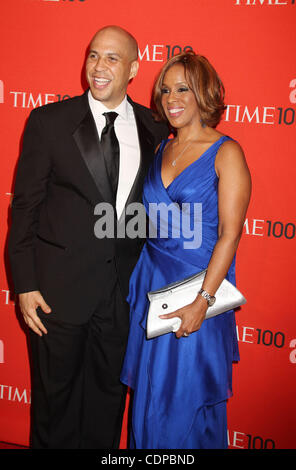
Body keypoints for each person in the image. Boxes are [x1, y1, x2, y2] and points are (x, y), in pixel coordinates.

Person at [8, 25, 169, 449]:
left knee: (106, 406)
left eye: (112, 58)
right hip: (56, 294)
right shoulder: (49, 122)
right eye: (94, 55)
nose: (99, 67)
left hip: (121, 298)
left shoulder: (155, 129)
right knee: (53, 407)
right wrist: (24, 285)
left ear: (134, 68)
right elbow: (23, 208)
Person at [120, 51, 252, 449]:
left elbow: (230, 235)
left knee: (184, 399)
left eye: (182, 89)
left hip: (199, 289)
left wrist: (203, 300)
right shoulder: (161, 148)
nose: (171, 98)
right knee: (149, 394)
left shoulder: (227, 152)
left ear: (203, 94)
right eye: (165, 90)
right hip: (152, 285)